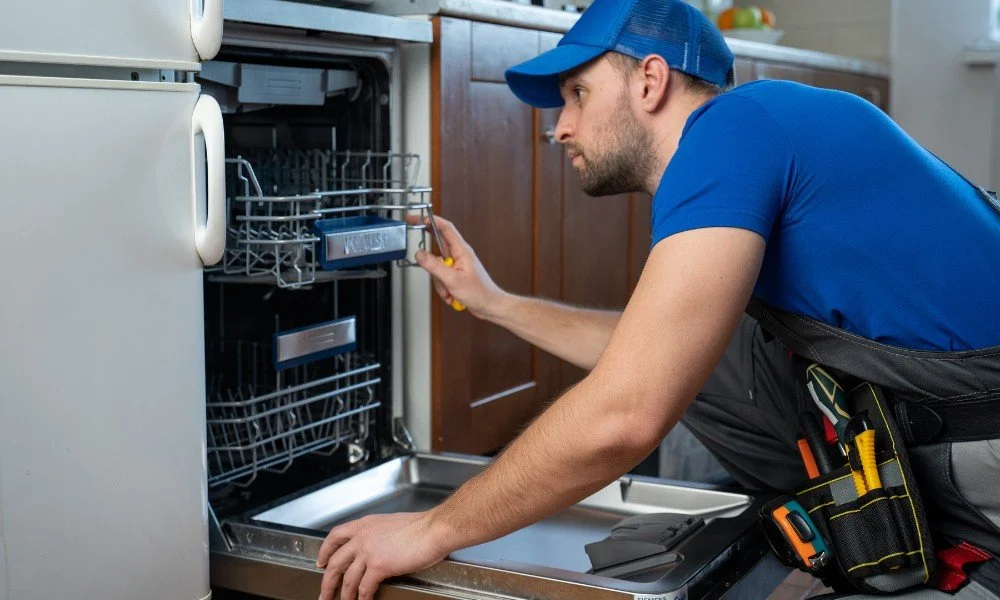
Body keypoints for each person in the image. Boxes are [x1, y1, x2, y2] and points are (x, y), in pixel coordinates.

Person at [315, 0, 1000, 598]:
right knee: (718, 357)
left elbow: (625, 414)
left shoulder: (731, 133)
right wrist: (490, 301)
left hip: (985, 461)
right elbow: (649, 356)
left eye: (578, 94)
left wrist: (432, 529)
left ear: (650, 79)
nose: (559, 128)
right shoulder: (764, 125)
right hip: (940, 410)